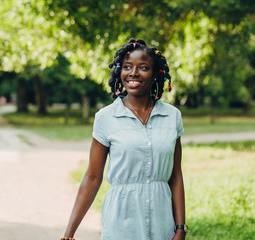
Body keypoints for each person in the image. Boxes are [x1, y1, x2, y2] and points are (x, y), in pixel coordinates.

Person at [62, 38, 187, 240]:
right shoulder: (106, 118)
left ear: (155, 74)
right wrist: (69, 233)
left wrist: (180, 227)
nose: (133, 73)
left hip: (162, 222)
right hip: (121, 222)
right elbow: (92, 177)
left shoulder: (173, 117)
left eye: (143, 67)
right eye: (127, 67)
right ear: (120, 72)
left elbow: (175, 175)